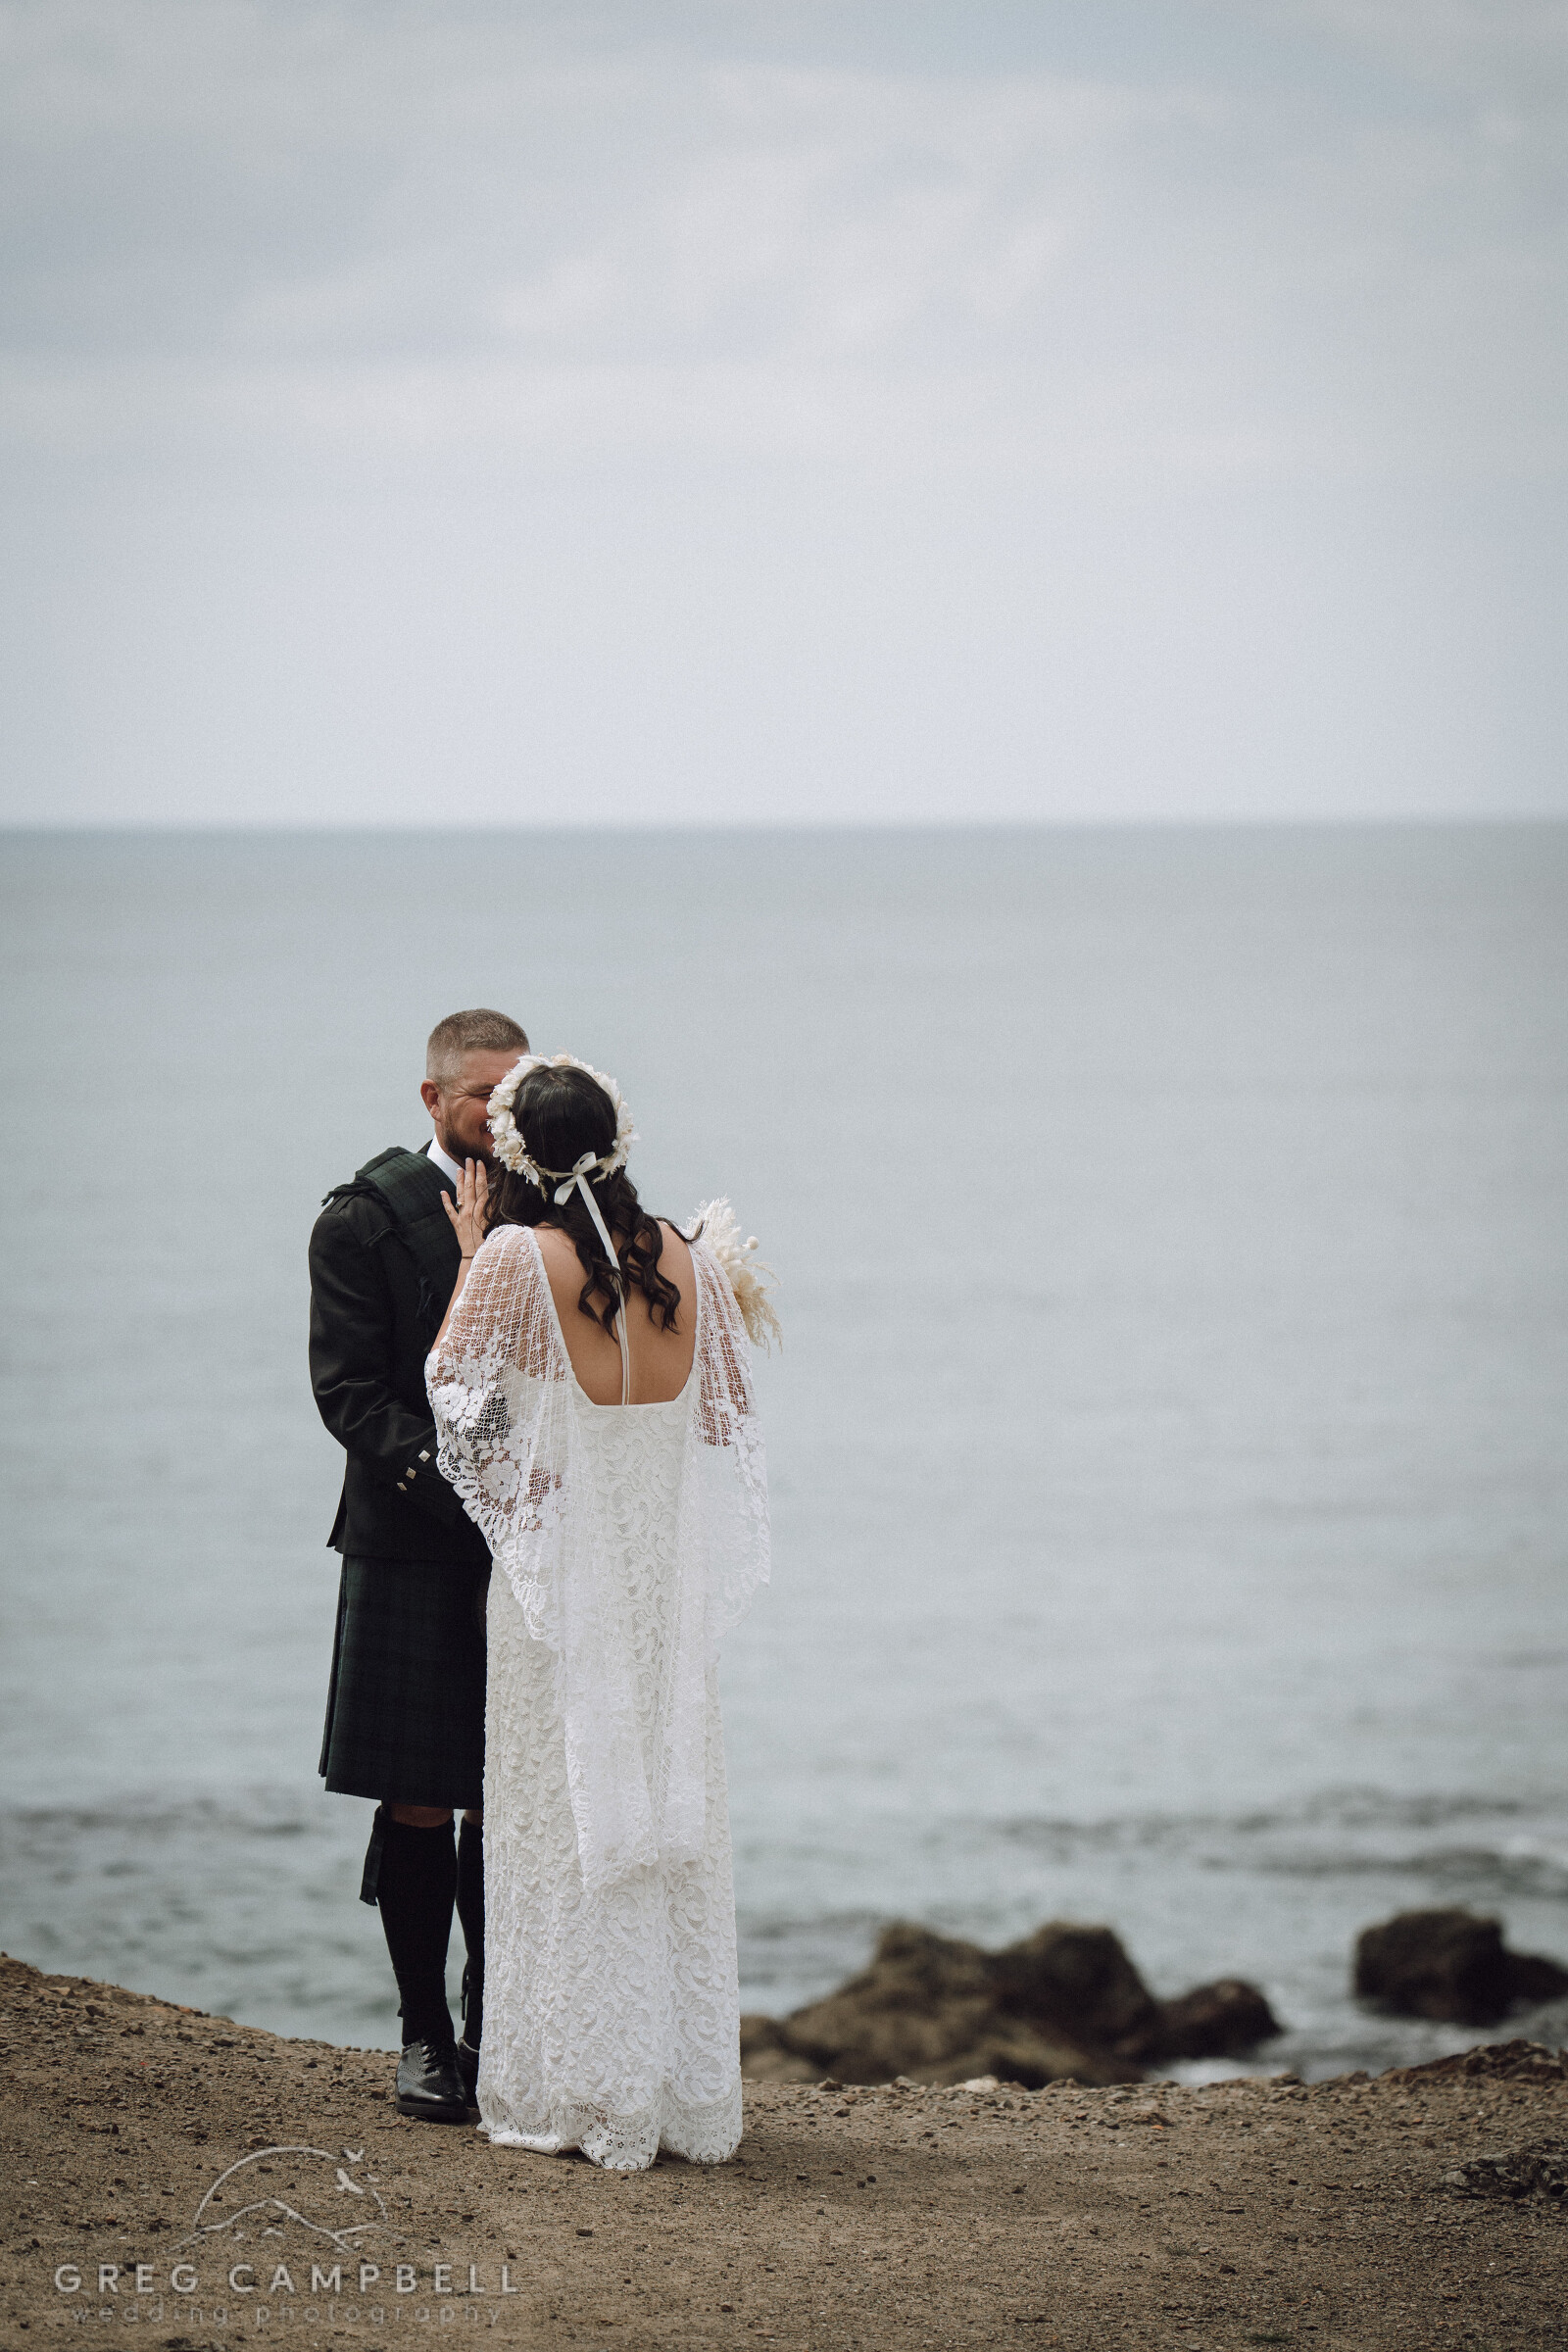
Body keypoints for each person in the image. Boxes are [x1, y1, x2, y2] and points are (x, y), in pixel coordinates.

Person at [425, 1051, 776, 2171]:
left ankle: (579, 2086)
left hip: (560, 1580)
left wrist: (525, 1467)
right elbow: (721, 1419)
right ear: (617, 1143)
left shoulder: (513, 1258)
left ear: (513, 1152)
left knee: (557, 1813)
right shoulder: (686, 1254)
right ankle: (672, 2091)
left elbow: (454, 1402)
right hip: (658, 1580)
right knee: (665, 1810)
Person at [310, 1006, 529, 2125]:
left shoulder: (547, 1206)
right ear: (434, 1097)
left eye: (515, 1090)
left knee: (506, 1793)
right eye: (482, 1092)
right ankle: (423, 2036)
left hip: (522, 1538)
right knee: (418, 1796)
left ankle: (496, 2023)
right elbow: (349, 1394)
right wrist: (457, 1482)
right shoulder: (361, 1218)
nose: (499, 1110)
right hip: (408, 1534)